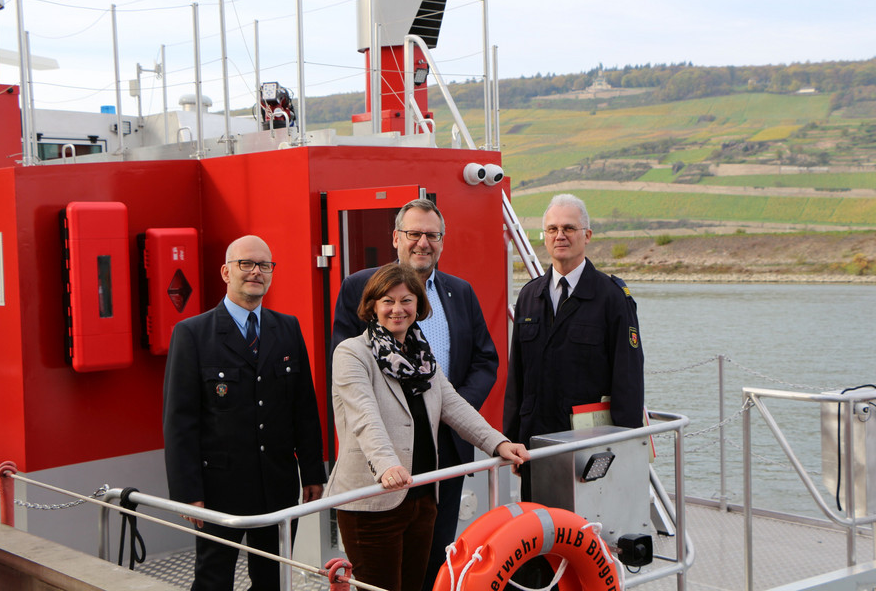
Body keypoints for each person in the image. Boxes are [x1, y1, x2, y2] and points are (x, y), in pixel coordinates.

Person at [326, 263, 529, 591]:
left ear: (418, 306)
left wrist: (498, 443)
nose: (397, 309)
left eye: (406, 300)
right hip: (374, 502)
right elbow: (364, 416)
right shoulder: (352, 353)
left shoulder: (422, 355)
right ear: (372, 306)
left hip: (421, 498)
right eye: (388, 301)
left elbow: (454, 406)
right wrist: (386, 465)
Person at [163, 235, 327, 590]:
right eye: (246, 264)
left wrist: (313, 471)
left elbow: (303, 406)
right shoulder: (193, 334)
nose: (256, 272)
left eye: (264, 265)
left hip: (278, 484)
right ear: (226, 272)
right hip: (220, 488)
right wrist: (187, 491)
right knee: (213, 579)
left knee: (273, 580)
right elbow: (180, 421)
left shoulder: (287, 328)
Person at [504, 193, 645, 500]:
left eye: (569, 228)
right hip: (536, 442)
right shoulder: (529, 296)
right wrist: (511, 439)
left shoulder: (611, 298)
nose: (560, 236)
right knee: (539, 525)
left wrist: (625, 445)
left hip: (589, 446)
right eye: (552, 229)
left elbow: (628, 379)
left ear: (587, 235)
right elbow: (517, 377)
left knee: (590, 523)